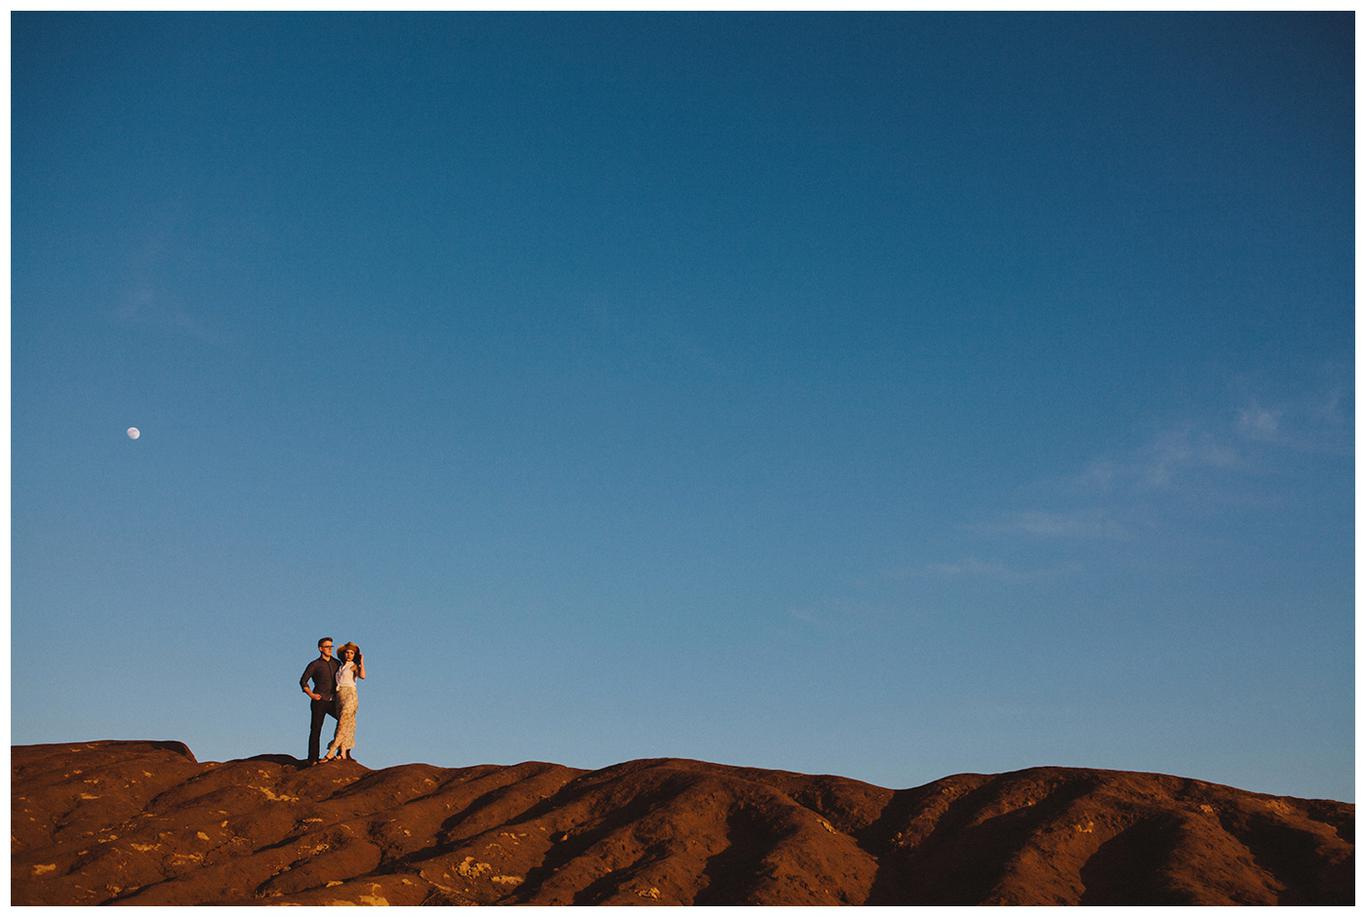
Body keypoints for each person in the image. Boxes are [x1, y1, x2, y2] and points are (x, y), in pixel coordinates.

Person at [299, 636, 341, 765]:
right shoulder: (315, 664)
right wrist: (311, 695)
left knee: (344, 722)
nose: (330, 649)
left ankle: (342, 752)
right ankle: (313, 758)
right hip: (319, 701)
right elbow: (303, 681)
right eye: (327, 647)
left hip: (334, 701)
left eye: (331, 647)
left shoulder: (337, 663)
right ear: (320, 649)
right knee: (316, 729)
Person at [321, 642, 365, 763]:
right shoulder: (340, 667)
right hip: (339, 696)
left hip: (350, 695)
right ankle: (343, 752)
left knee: (343, 722)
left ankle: (331, 751)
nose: (349, 655)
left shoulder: (353, 666)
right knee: (346, 724)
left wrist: (361, 662)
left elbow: (362, 676)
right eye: (347, 652)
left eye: (352, 653)